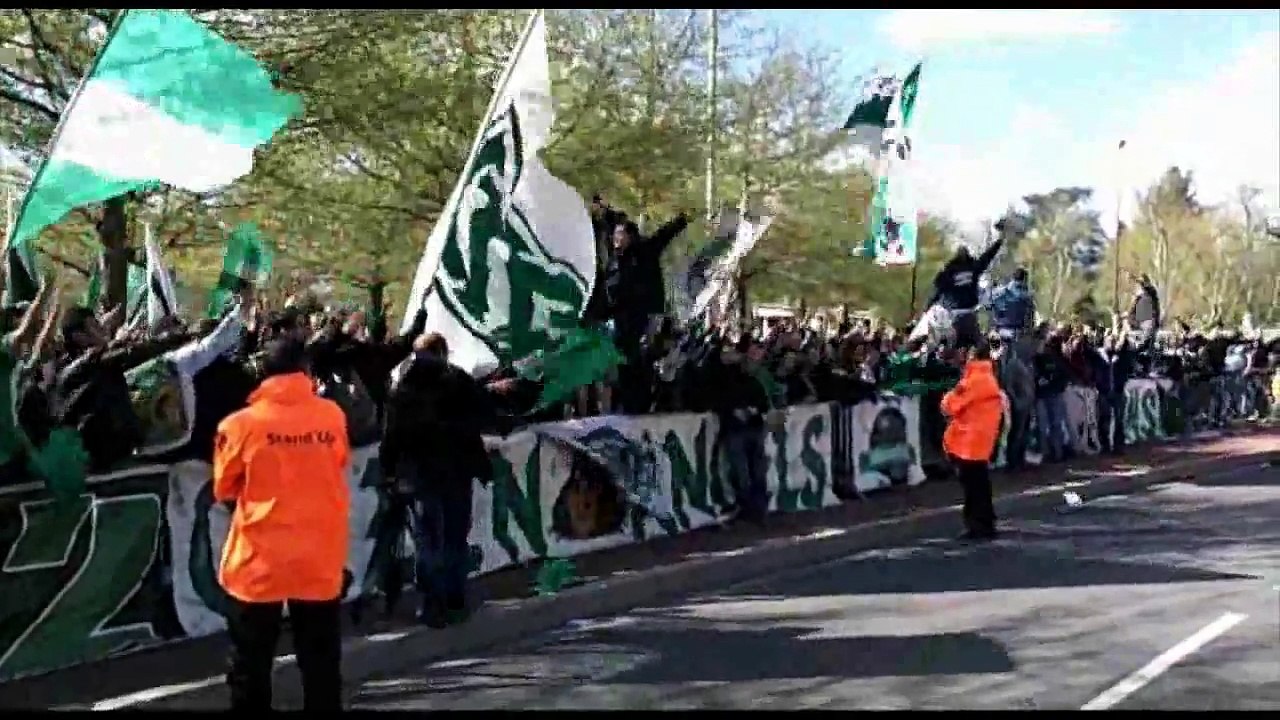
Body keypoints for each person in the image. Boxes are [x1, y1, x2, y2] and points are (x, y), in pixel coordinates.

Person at [213, 337, 351, 711]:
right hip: (318, 556)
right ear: (305, 371)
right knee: (321, 663)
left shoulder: (237, 425)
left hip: (259, 560)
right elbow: (337, 463)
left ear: (262, 373)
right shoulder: (332, 416)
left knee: (250, 665)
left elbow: (224, 487)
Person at [381, 332, 494, 628]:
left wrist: (390, 471)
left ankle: (432, 603)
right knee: (455, 537)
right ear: (443, 352)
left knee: (427, 540)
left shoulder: (404, 388)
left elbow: (392, 434)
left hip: (421, 474)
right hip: (457, 470)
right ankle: (455, 600)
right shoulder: (458, 380)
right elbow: (483, 416)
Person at [940, 343, 1003, 541]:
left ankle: (977, 525)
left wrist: (947, 398)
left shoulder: (973, 381)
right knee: (981, 483)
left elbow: (950, 405)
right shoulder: (989, 377)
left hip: (968, 440)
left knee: (972, 485)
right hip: (982, 438)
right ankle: (986, 521)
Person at [924, 234, 1006, 349]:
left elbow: (986, 258)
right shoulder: (960, 269)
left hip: (959, 313)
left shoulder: (955, 270)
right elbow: (986, 258)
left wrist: (928, 306)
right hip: (963, 313)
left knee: (957, 345)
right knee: (973, 345)